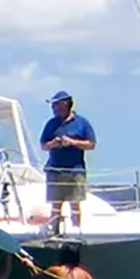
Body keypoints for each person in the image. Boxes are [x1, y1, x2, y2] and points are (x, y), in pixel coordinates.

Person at [39, 90, 95, 230]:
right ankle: (54, 230)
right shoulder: (51, 124)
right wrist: (54, 143)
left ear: (65, 104)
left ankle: (76, 230)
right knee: (55, 203)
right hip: (55, 169)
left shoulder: (82, 123)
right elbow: (43, 145)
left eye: (56, 105)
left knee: (75, 203)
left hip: (75, 170)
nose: (53, 109)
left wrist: (72, 142)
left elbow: (91, 144)